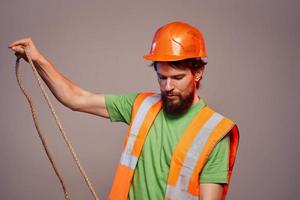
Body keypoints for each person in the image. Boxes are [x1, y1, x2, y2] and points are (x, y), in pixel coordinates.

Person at [9, 21, 239, 200]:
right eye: (162, 77)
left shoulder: (214, 133)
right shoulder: (141, 106)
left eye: (177, 78)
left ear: (198, 73)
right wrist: (37, 59)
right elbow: (76, 99)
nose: (168, 87)